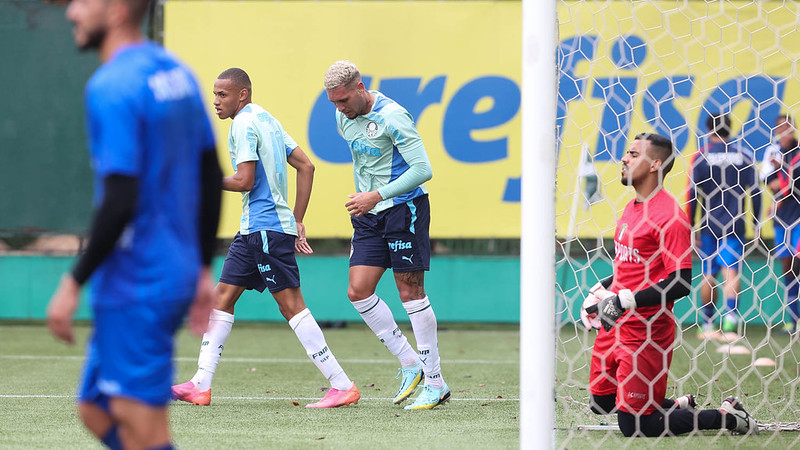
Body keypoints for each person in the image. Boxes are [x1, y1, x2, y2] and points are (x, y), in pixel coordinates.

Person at [46, 0, 223, 448]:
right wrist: (201, 267)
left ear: (119, 9)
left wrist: (72, 282)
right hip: (168, 270)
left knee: (138, 421)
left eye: (83, 2)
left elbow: (120, 199)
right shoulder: (177, 73)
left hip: (139, 279)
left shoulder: (111, 85)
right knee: (95, 408)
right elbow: (208, 173)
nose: (71, 12)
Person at [171, 68, 360, 409]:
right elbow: (307, 166)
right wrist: (297, 219)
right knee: (221, 299)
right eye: (214, 95)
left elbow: (244, 181)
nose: (216, 101)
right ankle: (200, 384)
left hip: (266, 229)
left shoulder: (243, 123)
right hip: (254, 231)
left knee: (291, 307)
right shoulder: (266, 119)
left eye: (223, 95)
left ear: (242, 94)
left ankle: (342, 384)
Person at [582, 133, 758, 437]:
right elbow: (632, 267)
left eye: (634, 154)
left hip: (645, 331)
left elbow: (680, 282)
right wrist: (598, 289)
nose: (624, 159)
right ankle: (673, 405)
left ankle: (727, 417)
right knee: (601, 402)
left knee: (636, 426)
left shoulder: (671, 218)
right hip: (617, 323)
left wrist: (623, 301)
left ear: (655, 164)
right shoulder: (631, 207)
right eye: (627, 153)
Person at [323, 60, 448, 410]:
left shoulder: (394, 117)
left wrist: (375, 195)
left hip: (403, 209)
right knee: (358, 291)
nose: (340, 109)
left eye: (344, 100)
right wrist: (368, 199)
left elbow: (424, 170)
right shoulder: (342, 116)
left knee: (410, 292)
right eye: (334, 102)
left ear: (361, 87)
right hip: (368, 215)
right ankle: (411, 363)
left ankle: (435, 383)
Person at [687, 113, 762, 333]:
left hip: (708, 224)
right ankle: (731, 319)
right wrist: (756, 222)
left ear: (708, 130)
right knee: (731, 272)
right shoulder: (744, 155)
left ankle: (708, 323)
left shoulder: (701, 157)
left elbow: (693, 195)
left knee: (709, 273)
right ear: (730, 129)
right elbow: (755, 192)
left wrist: (691, 226)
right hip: (735, 224)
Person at [761, 114, 800, 334]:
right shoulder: (772, 152)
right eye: (778, 127)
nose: (782, 130)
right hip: (781, 220)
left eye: (786, 126)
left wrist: (783, 170)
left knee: (798, 266)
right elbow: (772, 183)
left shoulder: (795, 153)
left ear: (793, 128)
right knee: (788, 270)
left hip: (797, 216)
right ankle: (792, 320)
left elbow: (788, 182)